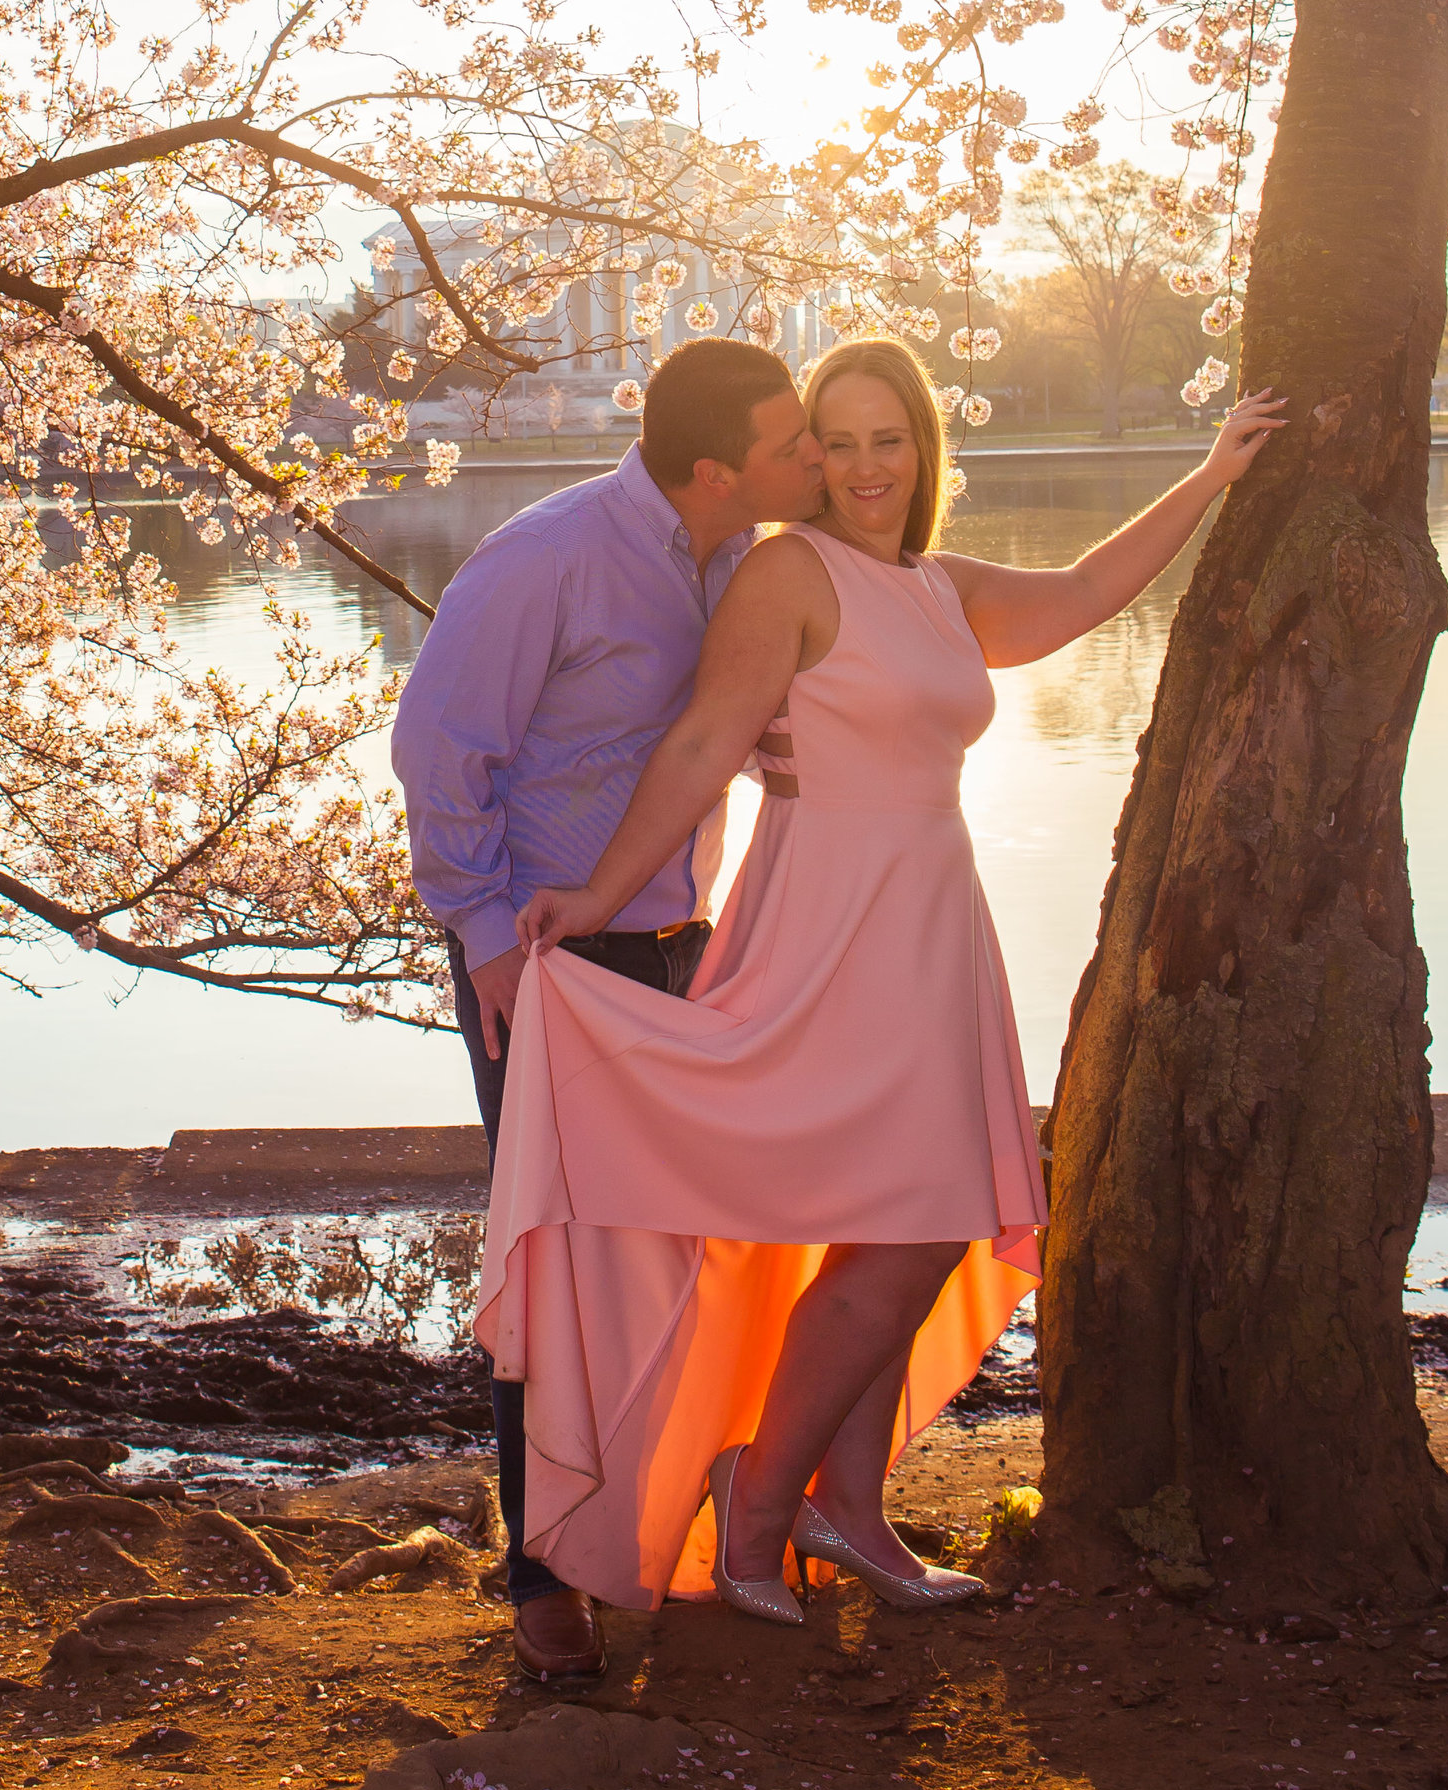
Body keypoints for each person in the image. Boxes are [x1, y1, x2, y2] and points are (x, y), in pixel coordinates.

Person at [478, 335, 1286, 1626]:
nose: (859, 464)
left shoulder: (939, 585)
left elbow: (1084, 589)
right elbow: (699, 742)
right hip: (827, 930)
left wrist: (1212, 474)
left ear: (923, 448)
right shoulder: (788, 574)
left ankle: (847, 1510)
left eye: (884, 439)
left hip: (934, 929)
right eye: (834, 440)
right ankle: (757, 1501)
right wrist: (596, 895)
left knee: (916, 1220)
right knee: (900, 1223)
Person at [391, 336, 828, 1682]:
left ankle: (653, 1526)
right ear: (718, 467)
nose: (813, 457)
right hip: (548, 963)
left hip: (685, 951)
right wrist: (488, 946)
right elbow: (436, 745)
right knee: (555, 1268)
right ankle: (540, 1574)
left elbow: (689, 735)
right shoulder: (547, 557)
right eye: (792, 441)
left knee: (689, 1253)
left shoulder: (740, 566)